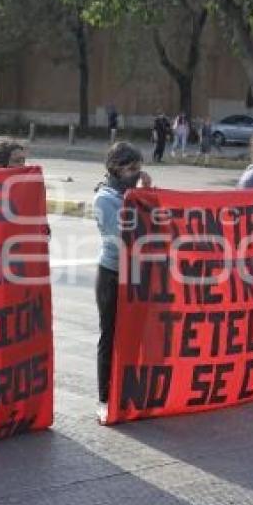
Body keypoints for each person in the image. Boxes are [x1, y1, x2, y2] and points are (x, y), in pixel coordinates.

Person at [93, 142, 152, 424]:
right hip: (113, 274)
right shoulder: (105, 198)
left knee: (136, 335)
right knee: (111, 335)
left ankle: (129, 390)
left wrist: (147, 196)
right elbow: (125, 235)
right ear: (115, 168)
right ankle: (105, 397)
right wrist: (142, 197)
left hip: (137, 273)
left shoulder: (132, 194)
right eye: (131, 168)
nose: (136, 172)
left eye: (138, 167)